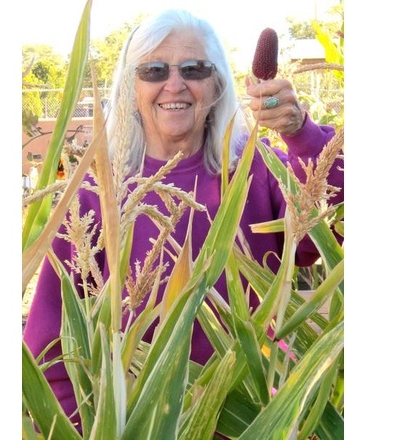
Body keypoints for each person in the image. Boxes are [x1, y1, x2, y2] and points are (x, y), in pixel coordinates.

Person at [23, 8, 344, 432]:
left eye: (193, 68)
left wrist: (300, 131)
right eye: (154, 70)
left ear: (216, 85)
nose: (174, 84)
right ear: (132, 88)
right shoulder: (98, 191)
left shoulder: (255, 168)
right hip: (137, 423)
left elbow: (329, 230)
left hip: (250, 417)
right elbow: (50, 344)